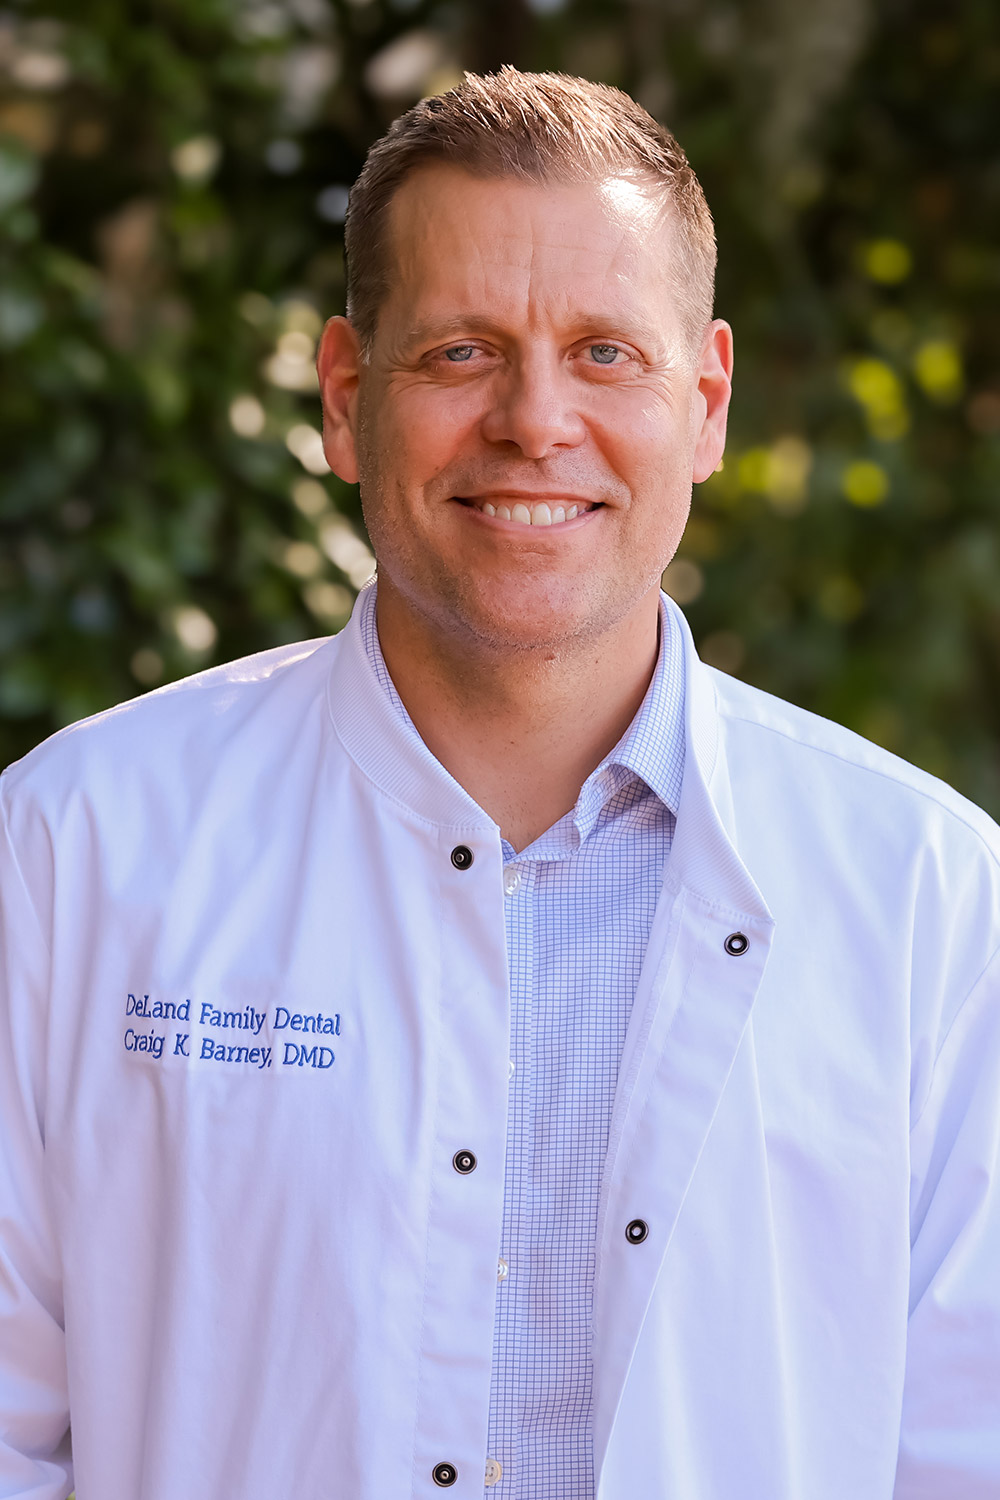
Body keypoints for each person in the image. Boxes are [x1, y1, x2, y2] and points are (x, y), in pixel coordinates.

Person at [1, 66, 998, 1500]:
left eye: (606, 353)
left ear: (706, 403)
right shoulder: (72, 849)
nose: (537, 422)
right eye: (462, 353)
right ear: (346, 398)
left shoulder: (934, 902)